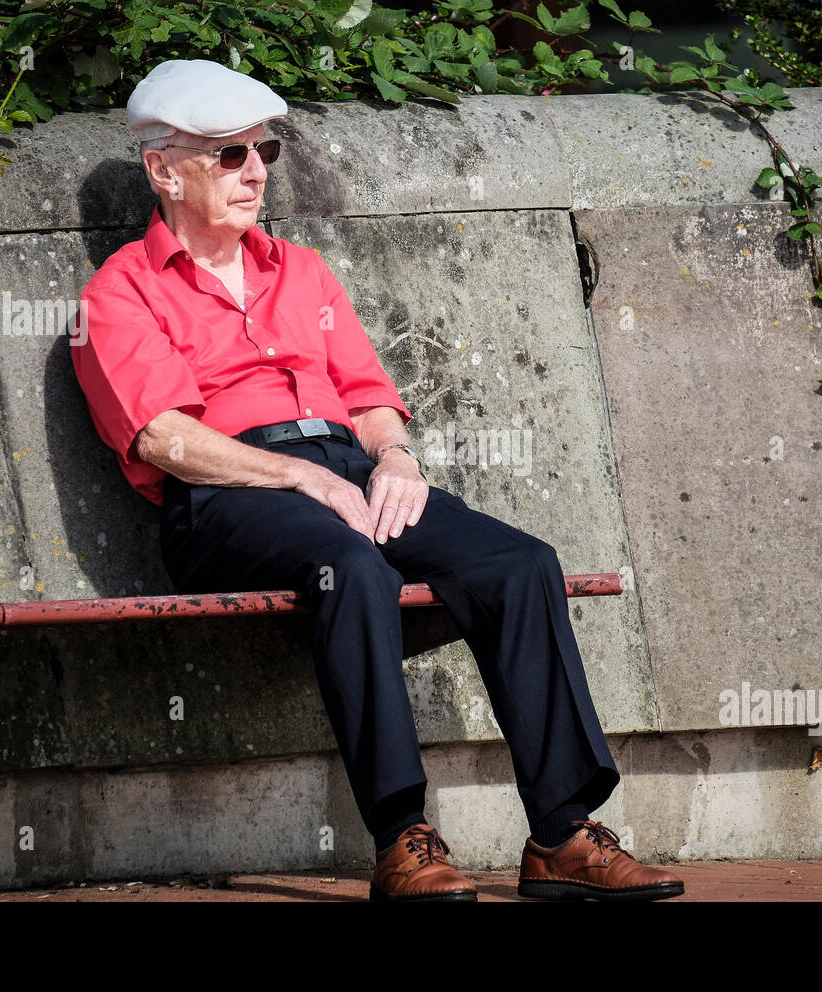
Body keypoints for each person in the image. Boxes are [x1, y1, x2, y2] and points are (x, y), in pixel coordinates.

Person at [70, 59, 682, 902]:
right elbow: (167, 438)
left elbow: (369, 399)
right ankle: (402, 841)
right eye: (229, 156)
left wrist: (395, 459)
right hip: (226, 501)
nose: (255, 172)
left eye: (264, 152)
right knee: (352, 567)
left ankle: (561, 836)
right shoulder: (121, 292)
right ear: (163, 168)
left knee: (519, 563)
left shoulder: (304, 273)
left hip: (349, 470)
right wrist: (295, 478)